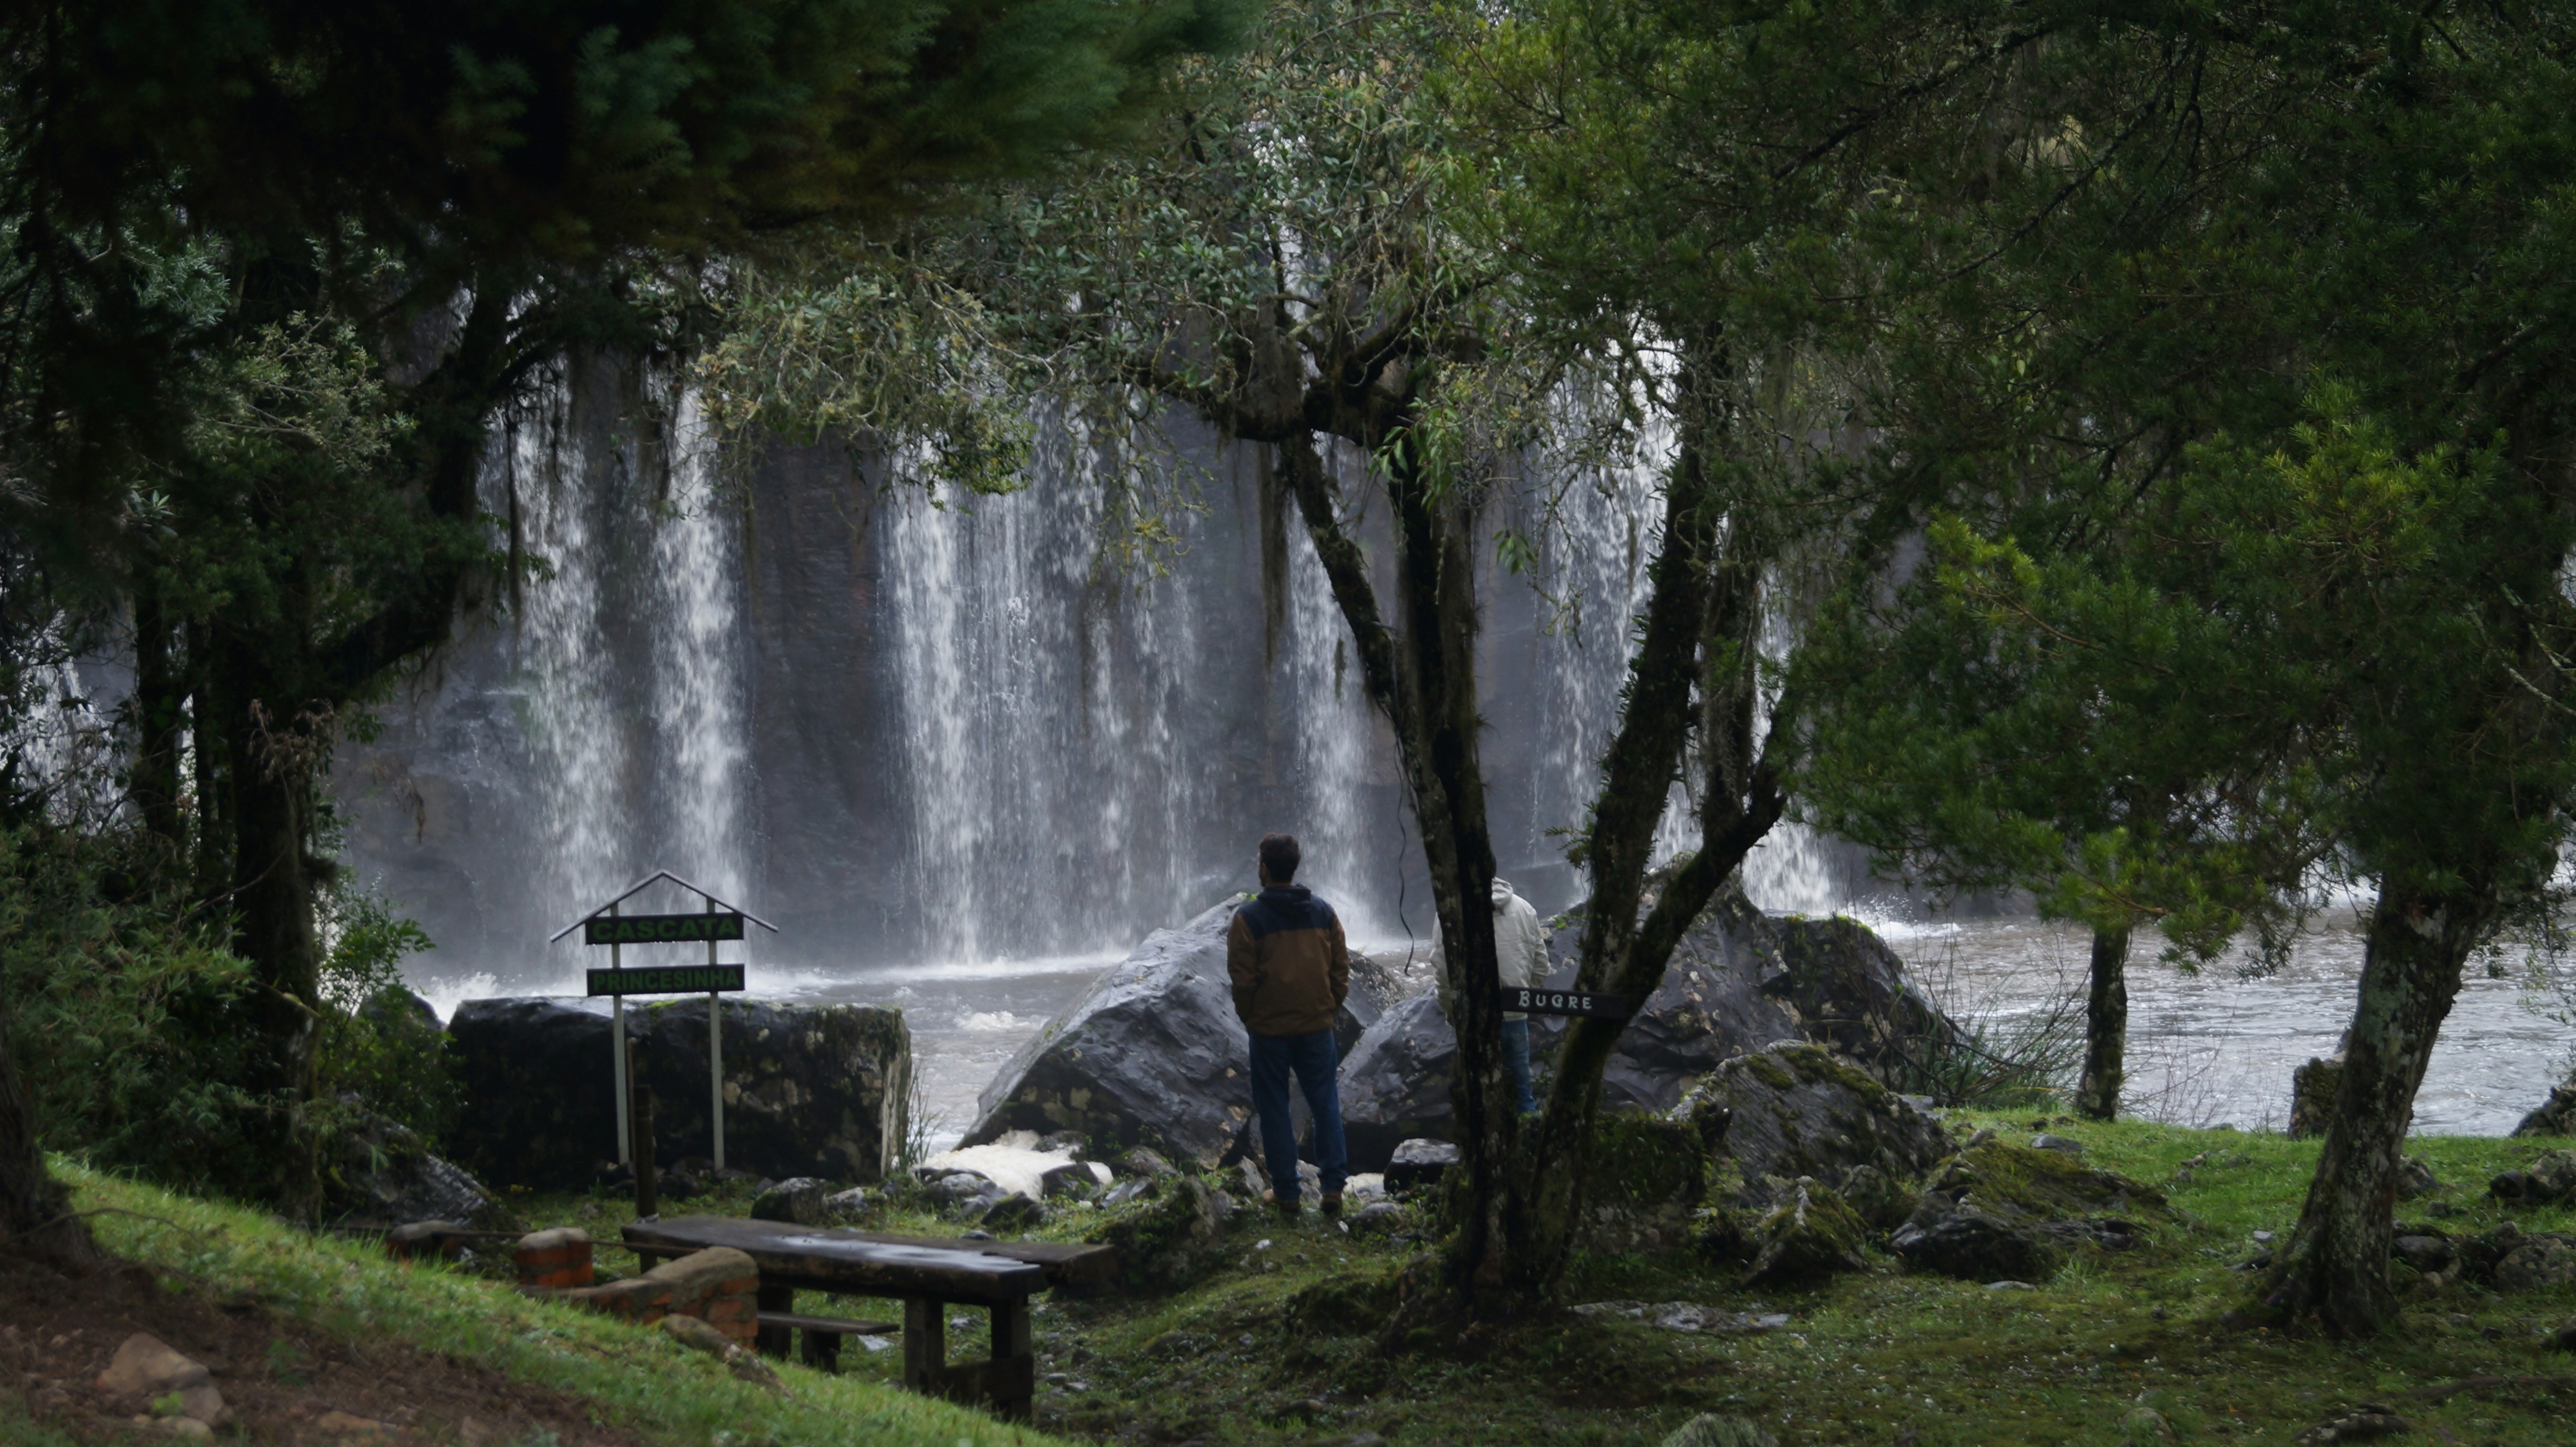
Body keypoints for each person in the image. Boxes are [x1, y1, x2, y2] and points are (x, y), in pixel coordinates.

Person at [1226, 833, 1351, 1220]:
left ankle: (1287, 1193)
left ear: (1264, 868)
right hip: (1316, 1025)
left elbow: (1242, 979)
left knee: (1275, 1108)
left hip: (1269, 1031)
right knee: (1325, 1103)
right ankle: (1332, 1187)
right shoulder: (1325, 912)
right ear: (1293, 867)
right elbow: (1341, 970)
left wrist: (1252, 1017)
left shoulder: (1247, 919)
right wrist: (1328, 1006)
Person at [1492, 877, 1547, 1116]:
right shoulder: (1525, 908)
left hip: (1477, 1018)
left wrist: (1452, 1011)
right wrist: (1523, 997)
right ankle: (1530, 1137)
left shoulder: (1454, 911)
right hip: (1516, 1014)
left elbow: (1441, 967)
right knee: (1523, 1088)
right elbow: (1541, 966)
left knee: (1480, 1088)